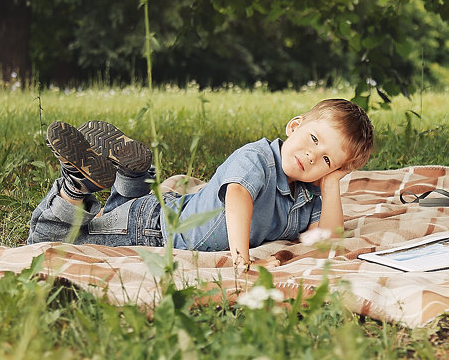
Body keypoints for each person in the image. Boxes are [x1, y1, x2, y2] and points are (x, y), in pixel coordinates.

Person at [27, 98, 375, 271]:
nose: (313, 156)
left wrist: (330, 187)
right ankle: (75, 186)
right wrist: (242, 260)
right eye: (313, 139)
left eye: (328, 160)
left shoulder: (308, 197)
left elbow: (327, 240)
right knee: (47, 243)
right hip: (155, 230)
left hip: (164, 211)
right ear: (294, 126)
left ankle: (132, 175)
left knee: (116, 213)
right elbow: (238, 197)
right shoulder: (258, 158)